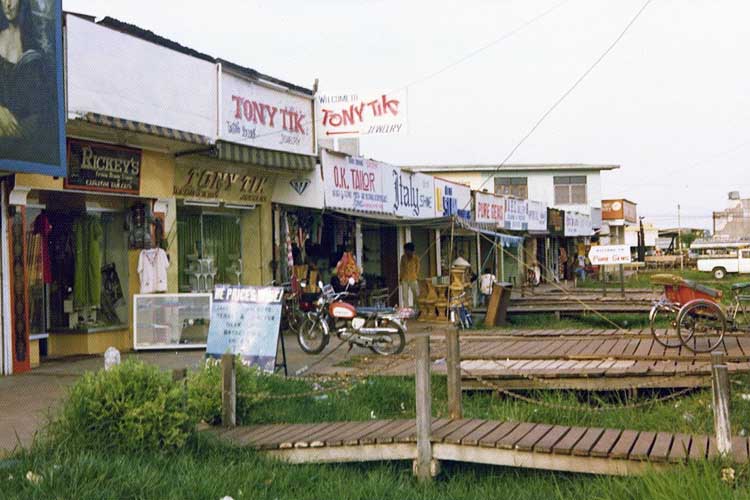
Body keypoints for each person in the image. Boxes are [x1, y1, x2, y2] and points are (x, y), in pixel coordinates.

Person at [0, 0, 59, 163]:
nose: (8, 4)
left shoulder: (34, 52)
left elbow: (43, 113)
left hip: (22, 147)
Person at [399, 242, 420, 308]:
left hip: (413, 278)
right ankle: (406, 310)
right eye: (405, 250)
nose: (405, 251)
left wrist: (416, 275)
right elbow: (401, 267)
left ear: (410, 250)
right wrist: (400, 277)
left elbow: (418, 267)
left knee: (416, 295)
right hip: (404, 278)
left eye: (406, 250)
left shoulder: (416, 258)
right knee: (405, 296)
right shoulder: (403, 257)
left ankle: (416, 309)